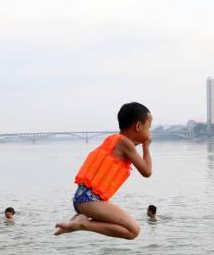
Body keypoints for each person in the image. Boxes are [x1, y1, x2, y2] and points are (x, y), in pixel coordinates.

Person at [54, 102, 153, 240]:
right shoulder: (126, 144)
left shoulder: (114, 140)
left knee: (131, 231)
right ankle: (83, 224)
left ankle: (79, 219)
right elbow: (147, 171)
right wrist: (146, 146)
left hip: (81, 199)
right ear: (138, 126)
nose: (149, 132)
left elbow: (132, 144)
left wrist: (140, 141)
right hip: (90, 201)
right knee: (133, 231)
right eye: (149, 127)